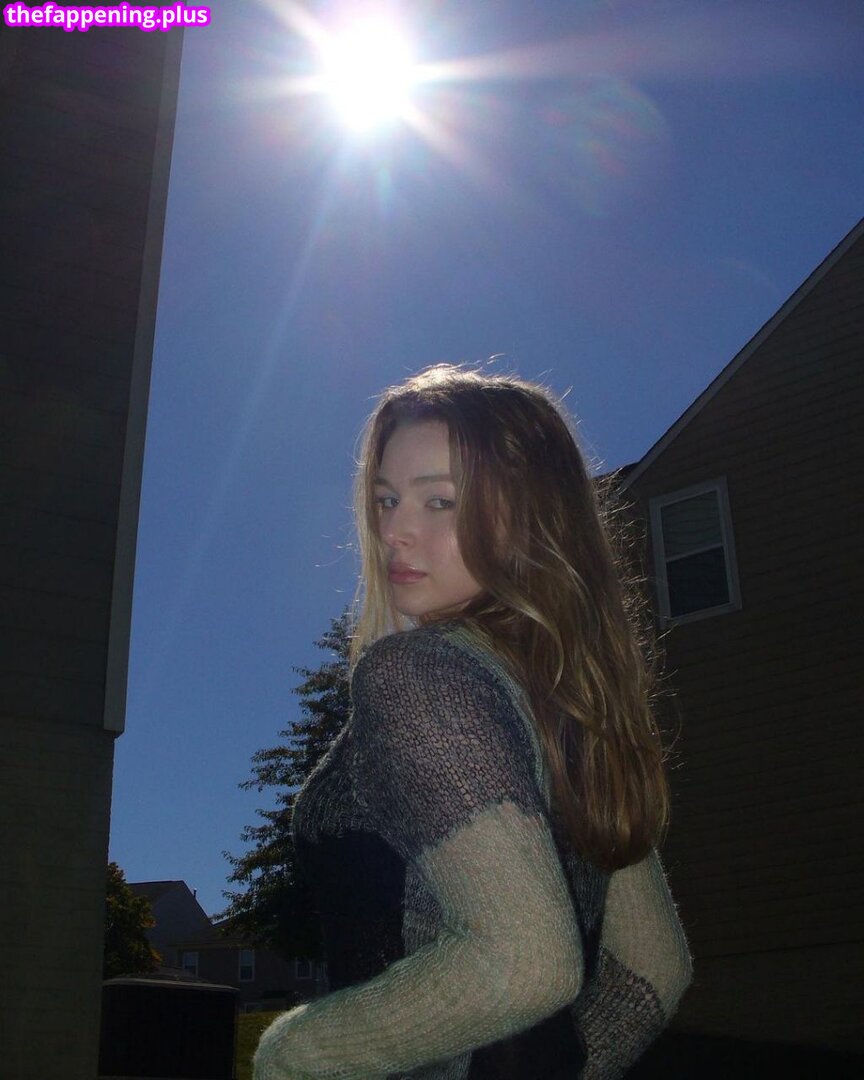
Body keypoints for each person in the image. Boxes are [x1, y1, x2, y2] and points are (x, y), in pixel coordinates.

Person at [254, 364, 692, 1080]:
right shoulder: (581, 712)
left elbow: (525, 964)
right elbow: (654, 971)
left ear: (532, 519)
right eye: (387, 499)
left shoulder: (418, 676)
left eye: (440, 501)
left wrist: (294, 1054)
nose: (394, 530)